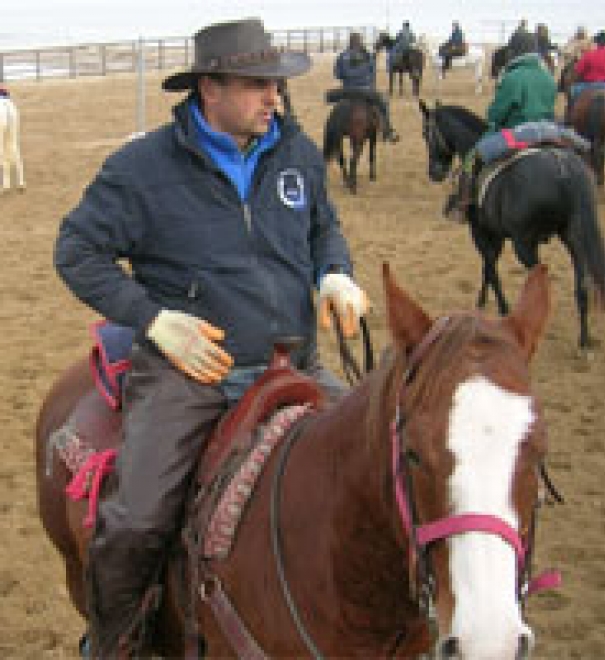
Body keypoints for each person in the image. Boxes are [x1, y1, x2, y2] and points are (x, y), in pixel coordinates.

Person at [54, 18, 370, 658]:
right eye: (257, 84)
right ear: (209, 89)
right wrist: (152, 319)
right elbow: (76, 250)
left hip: (294, 359)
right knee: (137, 520)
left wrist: (334, 272)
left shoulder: (297, 154)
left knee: (379, 464)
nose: (272, 97)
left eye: (275, 84)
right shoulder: (142, 169)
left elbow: (323, 229)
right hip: (191, 371)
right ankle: (114, 645)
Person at [449, 31, 557, 212]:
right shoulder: (548, 76)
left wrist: (494, 119)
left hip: (517, 132)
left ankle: (463, 205)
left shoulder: (512, 77)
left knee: (471, 158)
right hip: (548, 130)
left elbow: (497, 114)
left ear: (515, 51)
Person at [333, 32, 400, 142]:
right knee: (384, 103)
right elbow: (372, 74)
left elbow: (337, 74)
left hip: (346, 90)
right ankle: (387, 131)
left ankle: (334, 132)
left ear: (350, 42)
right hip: (365, 89)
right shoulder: (367, 55)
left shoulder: (341, 56)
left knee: (336, 111)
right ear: (360, 42)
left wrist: (347, 79)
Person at [570, 29, 605, 122]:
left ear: (597, 43)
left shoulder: (589, 55)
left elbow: (578, 70)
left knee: (573, 93)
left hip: (589, 85)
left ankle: (570, 117)